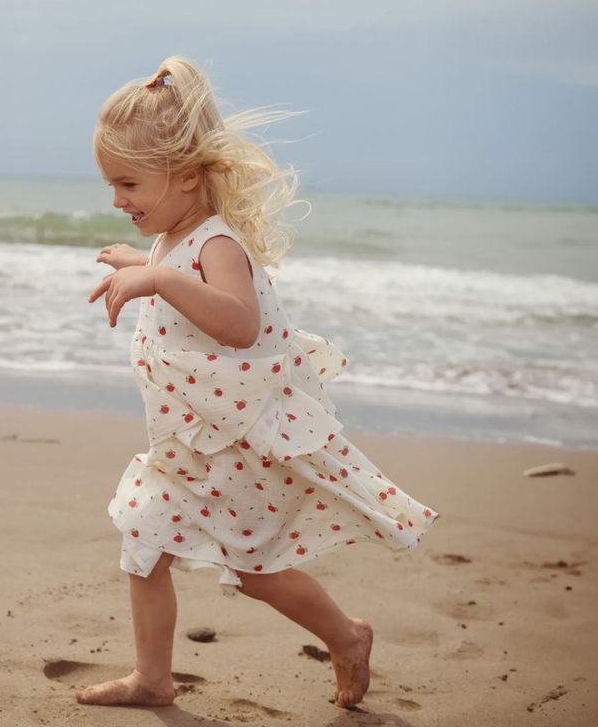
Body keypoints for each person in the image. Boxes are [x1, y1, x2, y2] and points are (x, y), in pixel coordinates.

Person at [83, 56, 440, 710]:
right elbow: (182, 285)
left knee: (255, 572)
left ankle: (347, 634)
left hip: (237, 445)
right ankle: (152, 679)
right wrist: (145, 262)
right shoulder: (173, 239)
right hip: (187, 445)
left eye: (129, 183)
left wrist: (158, 278)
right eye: (113, 185)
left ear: (187, 176)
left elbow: (240, 323)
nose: (117, 200)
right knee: (144, 546)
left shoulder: (217, 242)